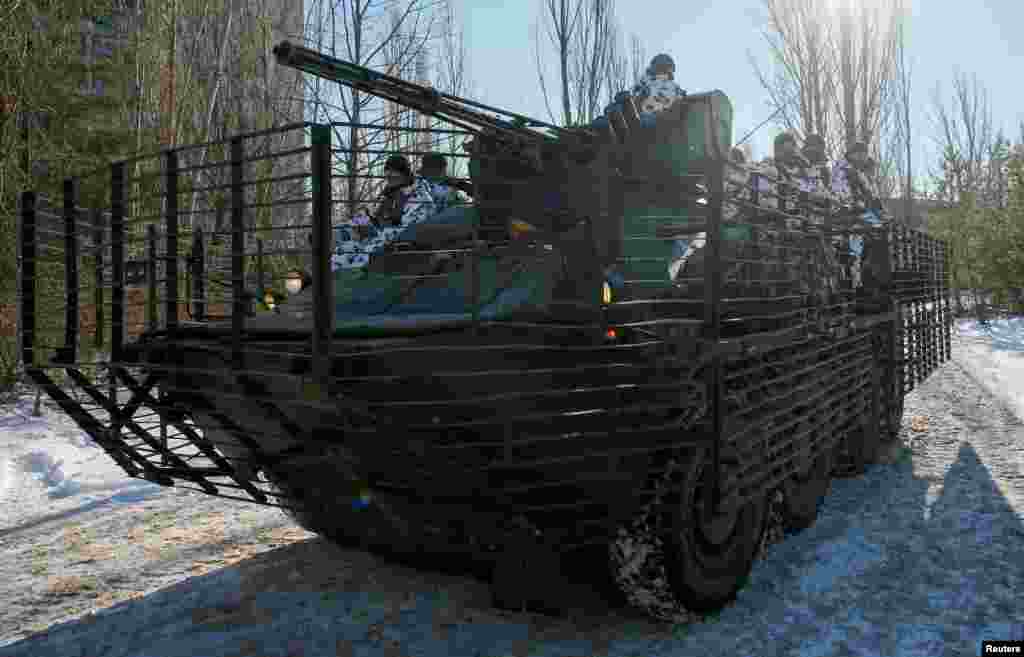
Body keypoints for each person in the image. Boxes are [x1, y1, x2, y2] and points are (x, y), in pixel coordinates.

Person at [331, 155, 436, 271]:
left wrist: (377, 234)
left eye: (394, 174)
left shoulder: (419, 197)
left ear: (405, 174)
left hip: (396, 247)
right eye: (387, 174)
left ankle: (350, 280)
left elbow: (410, 230)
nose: (389, 178)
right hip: (376, 241)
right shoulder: (388, 195)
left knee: (362, 257)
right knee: (345, 249)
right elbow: (370, 217)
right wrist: (343, 229)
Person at [591, 53, 687, 133]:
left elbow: (680, 105)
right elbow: (632, 97)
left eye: (662, 68)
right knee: (617, 107)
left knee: (644, 120)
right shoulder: (645, 82)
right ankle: (601, 126)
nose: (659, 72)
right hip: (636, 114)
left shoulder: (675, 88)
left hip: (656, 118)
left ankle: (613, 125)